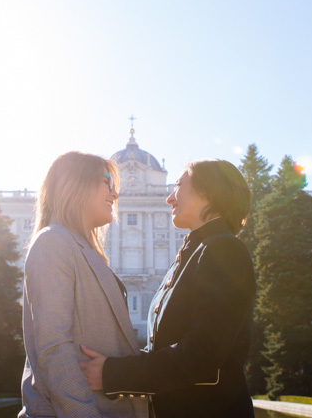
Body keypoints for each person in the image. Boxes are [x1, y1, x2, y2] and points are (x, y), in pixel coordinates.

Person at [80, 159, 256, 418]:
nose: (169, 199)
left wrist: (112, 373)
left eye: (179, 186)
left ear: (208, 192)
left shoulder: (223, 250)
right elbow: (167, 347)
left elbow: (200, 355)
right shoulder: (194, 252)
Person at [18, 151, 148, 418]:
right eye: (107, 182)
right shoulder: (53, 241)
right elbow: (54, 349)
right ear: (76, 184)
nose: (115, 194)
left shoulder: (80, 248)